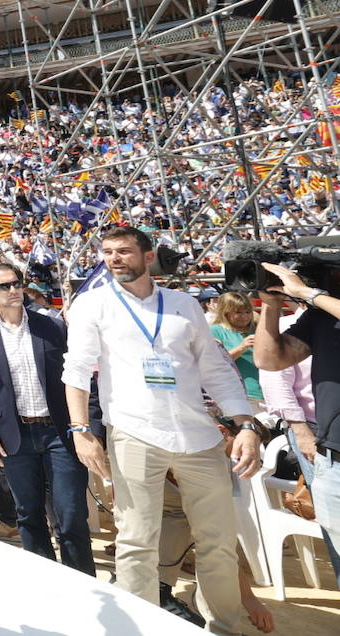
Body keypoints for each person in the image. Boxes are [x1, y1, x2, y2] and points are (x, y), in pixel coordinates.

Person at [63, 226, 261, 633]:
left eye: (123, 251)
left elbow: (214, 370)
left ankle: (225, 626)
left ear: (148, 256)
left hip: (199, 437)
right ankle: (140, 628)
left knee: (219, 543)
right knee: (136, 542)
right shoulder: (92, 304)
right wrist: (81, 429)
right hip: (134, 433)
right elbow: (77, 370)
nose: (114, 258)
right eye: (107, 252)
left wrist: (244, 423)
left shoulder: (183, 304)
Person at [0, 262, 94, 574]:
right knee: (28, 513)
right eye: (4, 286)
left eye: (16, 283)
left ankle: (83, 580)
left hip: (58, 434)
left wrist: (85, 425)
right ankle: (46, 578)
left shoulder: (50, 326)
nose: (13, 290)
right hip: (14, 436)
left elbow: (75, 376)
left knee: (71, 512)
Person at [252, 262, 340, 588]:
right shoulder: (320, 316)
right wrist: (271, 306)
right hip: (333, 456)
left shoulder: (318, 303)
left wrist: (307, 293)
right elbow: (269, 359)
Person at [209, 291, 264, 408]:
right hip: (237, 394)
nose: (244, 316)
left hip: (265, 392)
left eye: (248, 312)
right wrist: (242, 347)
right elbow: (215, 363)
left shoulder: (258, 329)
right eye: (238, 312)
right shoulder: (215, 331)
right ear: (226, 312)